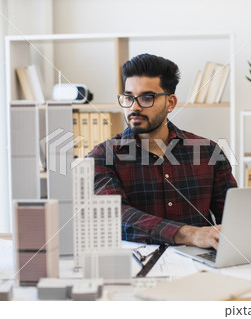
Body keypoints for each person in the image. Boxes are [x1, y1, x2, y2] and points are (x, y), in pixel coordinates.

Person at [88, 53, 237, 249]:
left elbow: (233, 219)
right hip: (135, 266)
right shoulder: (102, 156)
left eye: (146, 98)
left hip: (199, 264)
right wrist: (188, 233)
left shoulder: (208, 152)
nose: (134, 107)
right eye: (129, 98)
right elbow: (115, 215)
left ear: (171, 103)